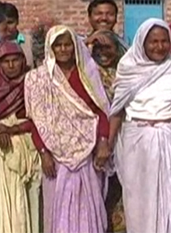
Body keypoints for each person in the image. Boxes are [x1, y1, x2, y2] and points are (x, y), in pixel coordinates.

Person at [106, 18, 171, 233]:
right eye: (153, 41)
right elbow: (117, 110)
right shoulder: (128, 67)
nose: (159, 46)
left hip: (170, 139)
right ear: (142, 42)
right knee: (139, 201)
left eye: (164, 41)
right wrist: (107, 144)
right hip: (137, 142)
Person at [24, 25, 111, 233]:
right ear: (50, 48)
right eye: (58, 46)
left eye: (67, 45)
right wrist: (44, 153)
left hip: (87, 152)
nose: (63, 50)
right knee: (57, 208)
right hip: (55, 157)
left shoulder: (88, 74)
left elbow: (100, 111)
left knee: (88, 209)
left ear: (75, 47)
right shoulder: (38, 79)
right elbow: (36, 120)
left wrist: (102, 141)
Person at [0, 41, 46, 233]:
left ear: (23, 61)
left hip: (27, 147)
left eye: (15, 60)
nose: (11, 65)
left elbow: (40, 116)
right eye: (6, 61)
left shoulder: (32, 81)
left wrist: (11, 129)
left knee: (29, 200)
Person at [89, 30, 127, 232]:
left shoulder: (125, 72)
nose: (103, 52)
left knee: (120, 193)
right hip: (93, 140)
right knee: (96, 194)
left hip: (123, 139)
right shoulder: (88, 72)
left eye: (108, 48)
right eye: (99, 48)